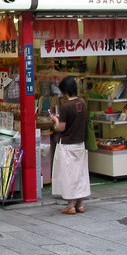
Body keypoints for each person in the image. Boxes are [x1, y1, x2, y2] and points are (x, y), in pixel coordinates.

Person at [50, 76, 91, 214]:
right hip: (80, 143)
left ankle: (70, 205)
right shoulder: (82, 103)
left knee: (67, 174)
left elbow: (61, 128)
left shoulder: (65, 107)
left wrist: (55, 120)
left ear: (64, 91)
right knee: (80, 173)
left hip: (67, 144)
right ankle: (80, 204)